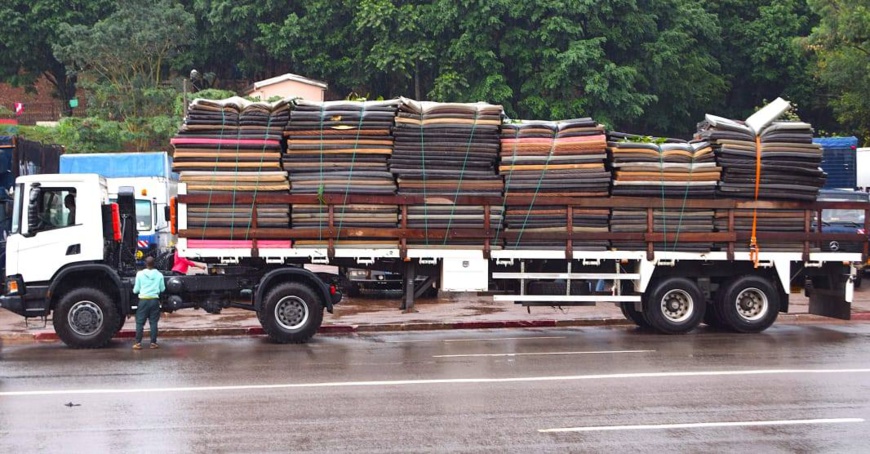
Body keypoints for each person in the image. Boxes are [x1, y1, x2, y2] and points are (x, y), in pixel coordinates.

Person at [132, 256, 165, 350]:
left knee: (140, 322)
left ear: (145, 264)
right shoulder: (159, 274)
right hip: (154, 301)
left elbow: (136, 290)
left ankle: (138, 343)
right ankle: (153, 343)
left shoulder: (140, 274)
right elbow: (162, 289)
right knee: (154, 322)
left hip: (143, 301)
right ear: (154, 264)